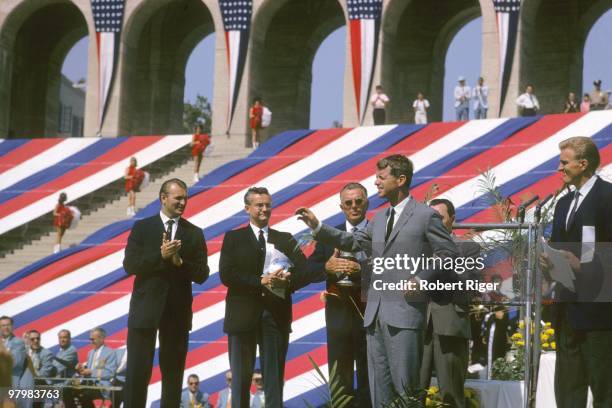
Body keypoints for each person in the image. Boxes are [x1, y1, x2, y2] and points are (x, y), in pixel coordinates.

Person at [296, 154, 459, 406]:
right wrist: (318, 227)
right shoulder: (380, 218)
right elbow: (352, 241)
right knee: (378, 394)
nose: (376, 183)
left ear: (401, 179)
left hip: (405, 316)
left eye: (382, 177)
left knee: (406, 393)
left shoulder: (425, 216)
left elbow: (449, 253)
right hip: (374, 318)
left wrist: (422, 278)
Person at [220, 187, 312, 407]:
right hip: (242, 318)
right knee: (241, 381)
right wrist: (258, 281)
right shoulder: (233, 238)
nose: (264, 209)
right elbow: (227, 274)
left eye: (268, 205)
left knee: (274, 380)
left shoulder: (285, 239)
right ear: (247, 208)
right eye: (259, 205)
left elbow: (305, 271)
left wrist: (287, 281)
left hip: (275, 317)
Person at [123, 178, 210, 407]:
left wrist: (180, 262)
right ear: (163, 198)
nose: (183, 202)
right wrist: (160, 257)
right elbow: (130, 265)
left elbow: (202, 274)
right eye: (178, 198)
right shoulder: (142, 227)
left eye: (185, 198)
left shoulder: (194, 233)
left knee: (172, 377)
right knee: (137, 375)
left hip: (177, 313)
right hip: (144, 311)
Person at [540, 136, 612, 407]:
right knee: (568, 390)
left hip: (600, 313)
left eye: (564, 162)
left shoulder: (608, 197)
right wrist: (547, 263)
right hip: (567, 310)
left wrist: (580, 265)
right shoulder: (561, 204)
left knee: (605, 390)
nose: (559, 168)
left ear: (583, 164)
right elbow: (559, 249)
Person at [306, 183, 371, 407]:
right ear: (341, 206)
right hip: (338, 317)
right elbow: (307, 271)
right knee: (340, 381)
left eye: (358, 201)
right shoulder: (327, 235)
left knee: (369, 380)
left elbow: (392, 269)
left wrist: (363, 270)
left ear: (367, 203)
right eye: (349, 203)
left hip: (371, 316)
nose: (354, 206)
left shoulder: (379, 233)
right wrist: (327, 266)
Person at [420, 198, 481, 408]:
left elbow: (470, 284)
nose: (434, 223)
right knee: (413, 392)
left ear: (452, 220)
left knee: (452, 394)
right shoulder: (418, 248)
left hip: (450, 322)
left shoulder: (467, 247)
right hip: (419, 325)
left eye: (439, 218)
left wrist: (436, 270)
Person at [0, 316, 31, 407]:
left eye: (8, 325)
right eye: (3, 325)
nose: (6, 327)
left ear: (12, 326)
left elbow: (16, 364)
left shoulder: (18, 342)